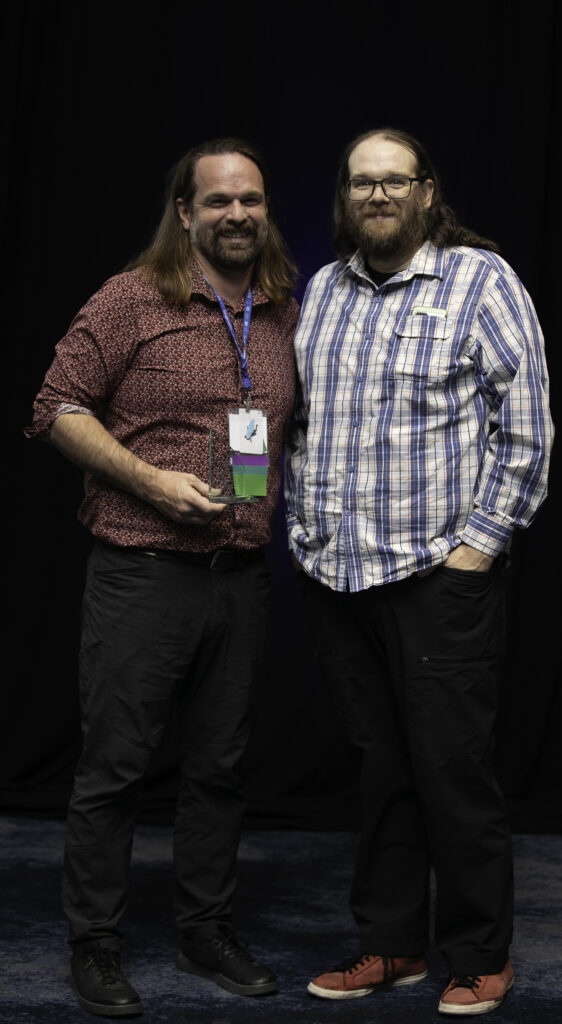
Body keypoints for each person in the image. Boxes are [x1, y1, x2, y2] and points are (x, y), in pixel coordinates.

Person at [26, 137, 299, 1017]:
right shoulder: (131, 298)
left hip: (241, 575)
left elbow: (274, 427)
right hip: (143, 573)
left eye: (249, 200)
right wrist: (148, 481)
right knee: (115, 768)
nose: (236, 215)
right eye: (217, 201)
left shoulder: (281, 308)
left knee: (219, 768)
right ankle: (95, 945)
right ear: (184, 212)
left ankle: (205, 928)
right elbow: (54, 407)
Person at [285, 128, 553, 1016]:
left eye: (393, 181)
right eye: (361, 183)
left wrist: (480, 546)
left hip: (440, 575)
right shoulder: (322, 292)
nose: (376, 196)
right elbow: (295, 425)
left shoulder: (482, 282)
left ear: (427, 192)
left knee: (450, 768)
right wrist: (294, 522)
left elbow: (526, 431)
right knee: (378, 768)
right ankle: (389, 946)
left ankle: (478, 954)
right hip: (339, 577)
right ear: (345, 197)